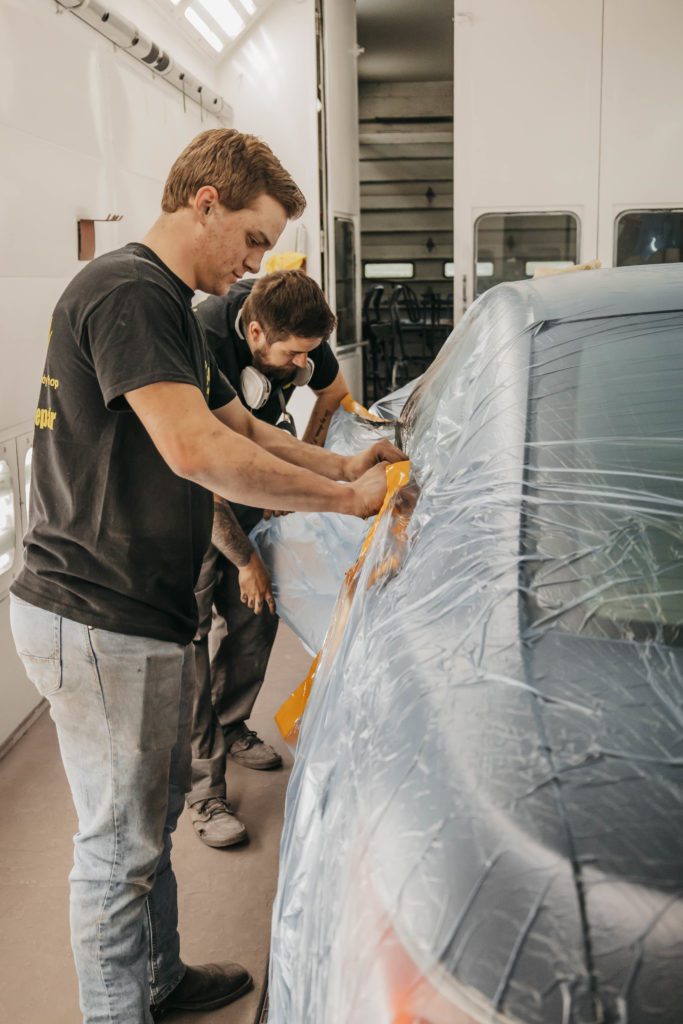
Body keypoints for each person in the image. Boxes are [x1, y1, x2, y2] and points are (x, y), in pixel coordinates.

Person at [9, 128, 403, 1024]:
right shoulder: (126, 293)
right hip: (95, 613)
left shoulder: (173, 310)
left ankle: (160, 978)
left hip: (130, 613)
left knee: (148, 825)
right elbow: (198, 456)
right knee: (117, 848)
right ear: (207, 204)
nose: (257, 263)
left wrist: (346, 469)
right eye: (254, 239)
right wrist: (344, 508)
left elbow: (240, 428)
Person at [188, 270, 349, 847]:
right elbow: (200, 468)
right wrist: (243, 558)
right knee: (193, 643)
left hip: (252, 490)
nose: (303, 364)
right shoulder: (201, 338)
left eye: (310, 352)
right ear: (254, 333)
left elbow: (332, 393)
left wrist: (305, 461)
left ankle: (232, 728)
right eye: (293, 355)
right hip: (194, 510)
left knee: (258, 620)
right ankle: (205, 790)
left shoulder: (296, 319)